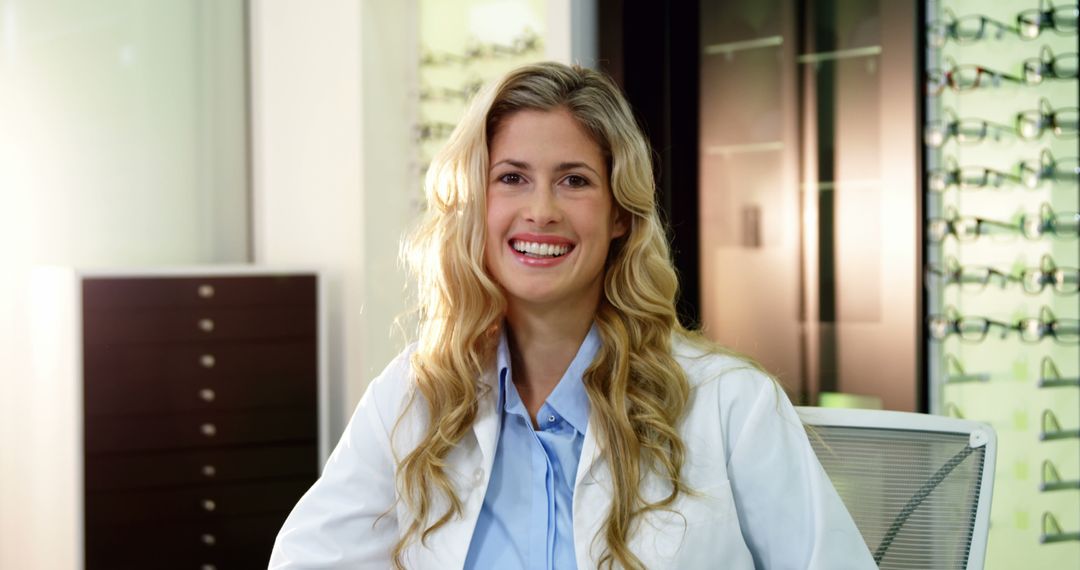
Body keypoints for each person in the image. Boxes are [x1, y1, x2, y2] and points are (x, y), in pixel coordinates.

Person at [269, 62, 875, 569]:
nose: (541, 210)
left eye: (574, 181)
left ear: (619, 216)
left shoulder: (729, 403)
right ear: (477, 207)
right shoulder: (414, 393)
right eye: (511, 178)